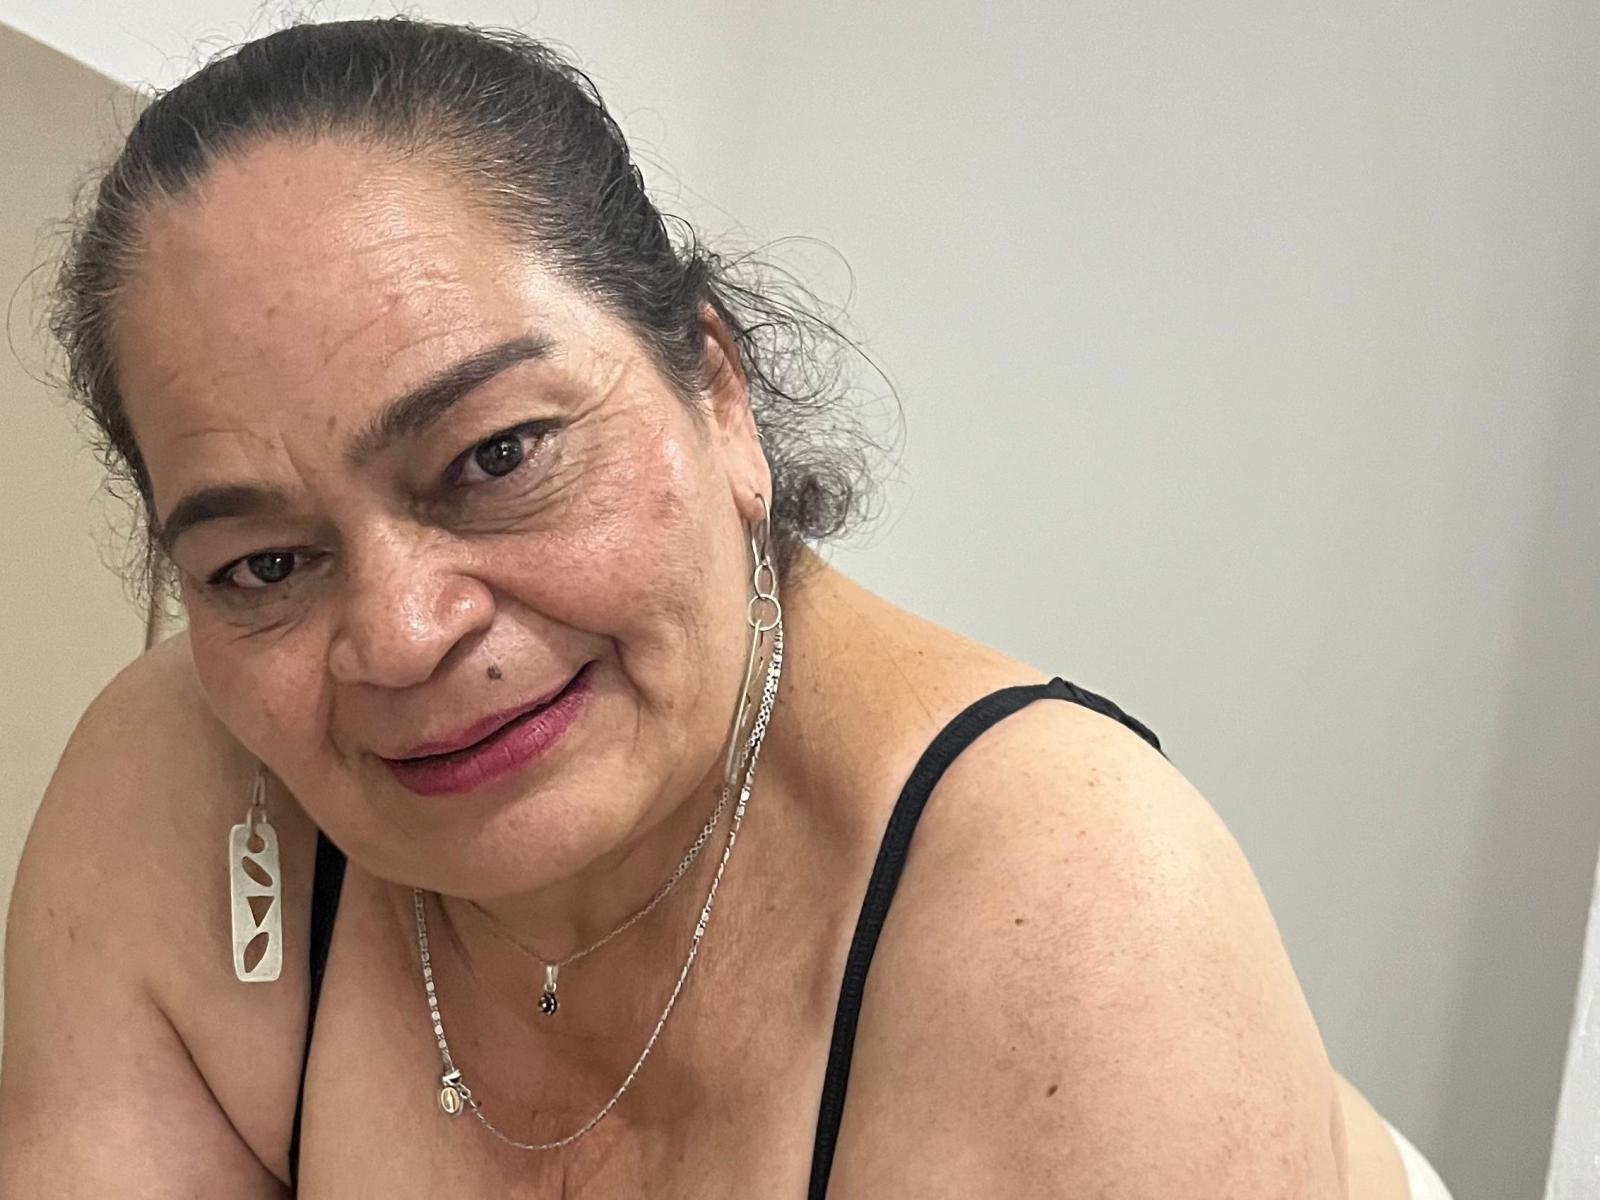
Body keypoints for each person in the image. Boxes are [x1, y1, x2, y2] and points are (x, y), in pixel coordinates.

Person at [0, 17, 1445, 1198]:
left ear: (719, 392)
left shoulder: (1078, 918)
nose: (400, 634)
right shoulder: (177, 783)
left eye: (497, 456)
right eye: (262, 566)